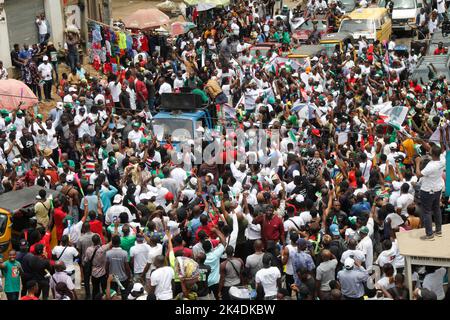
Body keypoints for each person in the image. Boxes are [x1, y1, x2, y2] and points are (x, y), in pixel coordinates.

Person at [415, 145, 445, 240]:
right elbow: (433, 150)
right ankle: (438, 230)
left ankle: (429, 234)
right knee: (436, 209)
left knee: (427, 212)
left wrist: (417, 163)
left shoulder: (431, 166)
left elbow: (419, 174)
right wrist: (422, 142)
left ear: (432, 154)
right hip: (437, 189)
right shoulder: (442, 159)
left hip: (428, 190)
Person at [105, 234, 131, 300]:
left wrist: (108, 275)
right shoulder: (124, 253)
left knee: (113, 296)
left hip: (112, 278)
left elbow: (106, 266)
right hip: (123, 278)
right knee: (124, 294)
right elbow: (127, 267)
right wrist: (129, 276)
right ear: (120, 242)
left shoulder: (108, 253)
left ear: (112, 243)